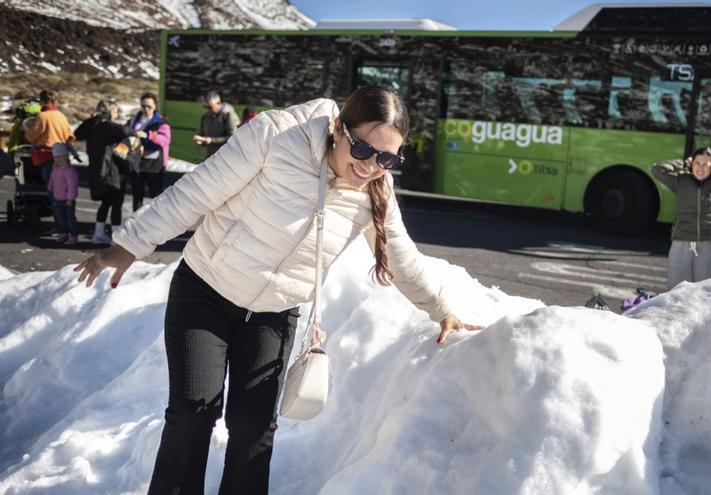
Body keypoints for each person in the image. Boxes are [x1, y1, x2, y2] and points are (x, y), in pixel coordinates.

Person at [73, 87, 481, 494]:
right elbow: (195, 192)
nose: (371, 166)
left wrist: (441, 308)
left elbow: (402, 258)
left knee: (254, 426)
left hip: (274, 313)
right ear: (339, 128)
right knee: (193, 413)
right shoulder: (276, 135)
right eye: (362, 150)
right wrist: (130, 246)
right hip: (206, 291)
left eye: (387, 158)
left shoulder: (375, 190)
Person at [651, 148, 711, 289]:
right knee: (676, 291)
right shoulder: (680, 181)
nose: (700, 168)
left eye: (706, 164)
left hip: (710, 243)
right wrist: (684, 163)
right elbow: (658, 170)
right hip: (681, 241)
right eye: (697, 163)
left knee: (704, 291)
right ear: (692, 164)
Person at [75, 100, 129, 244]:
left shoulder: (93, 126)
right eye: (115, 111)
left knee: (105, 203)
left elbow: (77, 133)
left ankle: (98, 234)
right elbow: (125, 132)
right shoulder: (108, 127)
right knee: (116, 203)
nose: (117, 114)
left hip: (97, 171)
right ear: (109, 112)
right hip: (112, 171)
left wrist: (94, 118)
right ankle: (116, 239)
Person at [128, 92, 172, 212]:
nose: (146, 109)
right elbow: (127, 133)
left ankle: (157, 228)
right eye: (143, 106)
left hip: (155, 165)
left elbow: (165, 140)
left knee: (156, 197)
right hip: (137, 162)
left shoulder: (161, 122)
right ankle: (135, 227)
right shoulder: (135, 120)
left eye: (149, 107)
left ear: (155, 107)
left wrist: (148, 135)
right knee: (137, 197)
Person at [24, 90, 79, 184]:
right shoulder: (61, 116)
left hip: (47, 156)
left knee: (52, 188)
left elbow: (32, 136)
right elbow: (69, 136)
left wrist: (26, 130)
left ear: (41, 101)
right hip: (62, 156)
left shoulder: (43, 116)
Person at [46, 143, 79, 244]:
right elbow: (52, 180)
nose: (58, 159)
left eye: (61, 157)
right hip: (57, 198)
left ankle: (73, 236)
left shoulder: (69, 171)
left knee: (70, 219)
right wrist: (50, 188)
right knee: (61, 218)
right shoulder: (55, 169)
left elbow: (72, 186)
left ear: (66, 157)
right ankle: (63, 233)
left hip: (67, 200)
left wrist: (70, 198)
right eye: (56, 157)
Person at [194, 91, 240, 158]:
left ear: (218, 103)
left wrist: (211, 140)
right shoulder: (205, 117)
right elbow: (202, 134)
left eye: (210, 107)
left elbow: (232, 137)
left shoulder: (228, 115)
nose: (207, 110)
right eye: (205, 107)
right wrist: (201, 141)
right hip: (209, 157)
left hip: (225, 158)